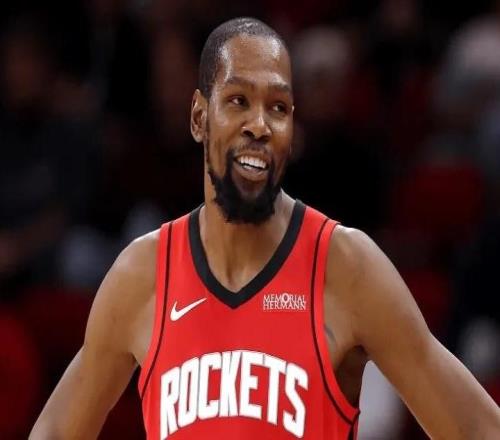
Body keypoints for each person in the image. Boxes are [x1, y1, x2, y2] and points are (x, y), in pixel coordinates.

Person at [30, 17, 500, 439]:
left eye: (278, 107)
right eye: (238, 100)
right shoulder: (143, 275)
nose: (259, 124)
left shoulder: (346, 266)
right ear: (199, 117)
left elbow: (478, 427)